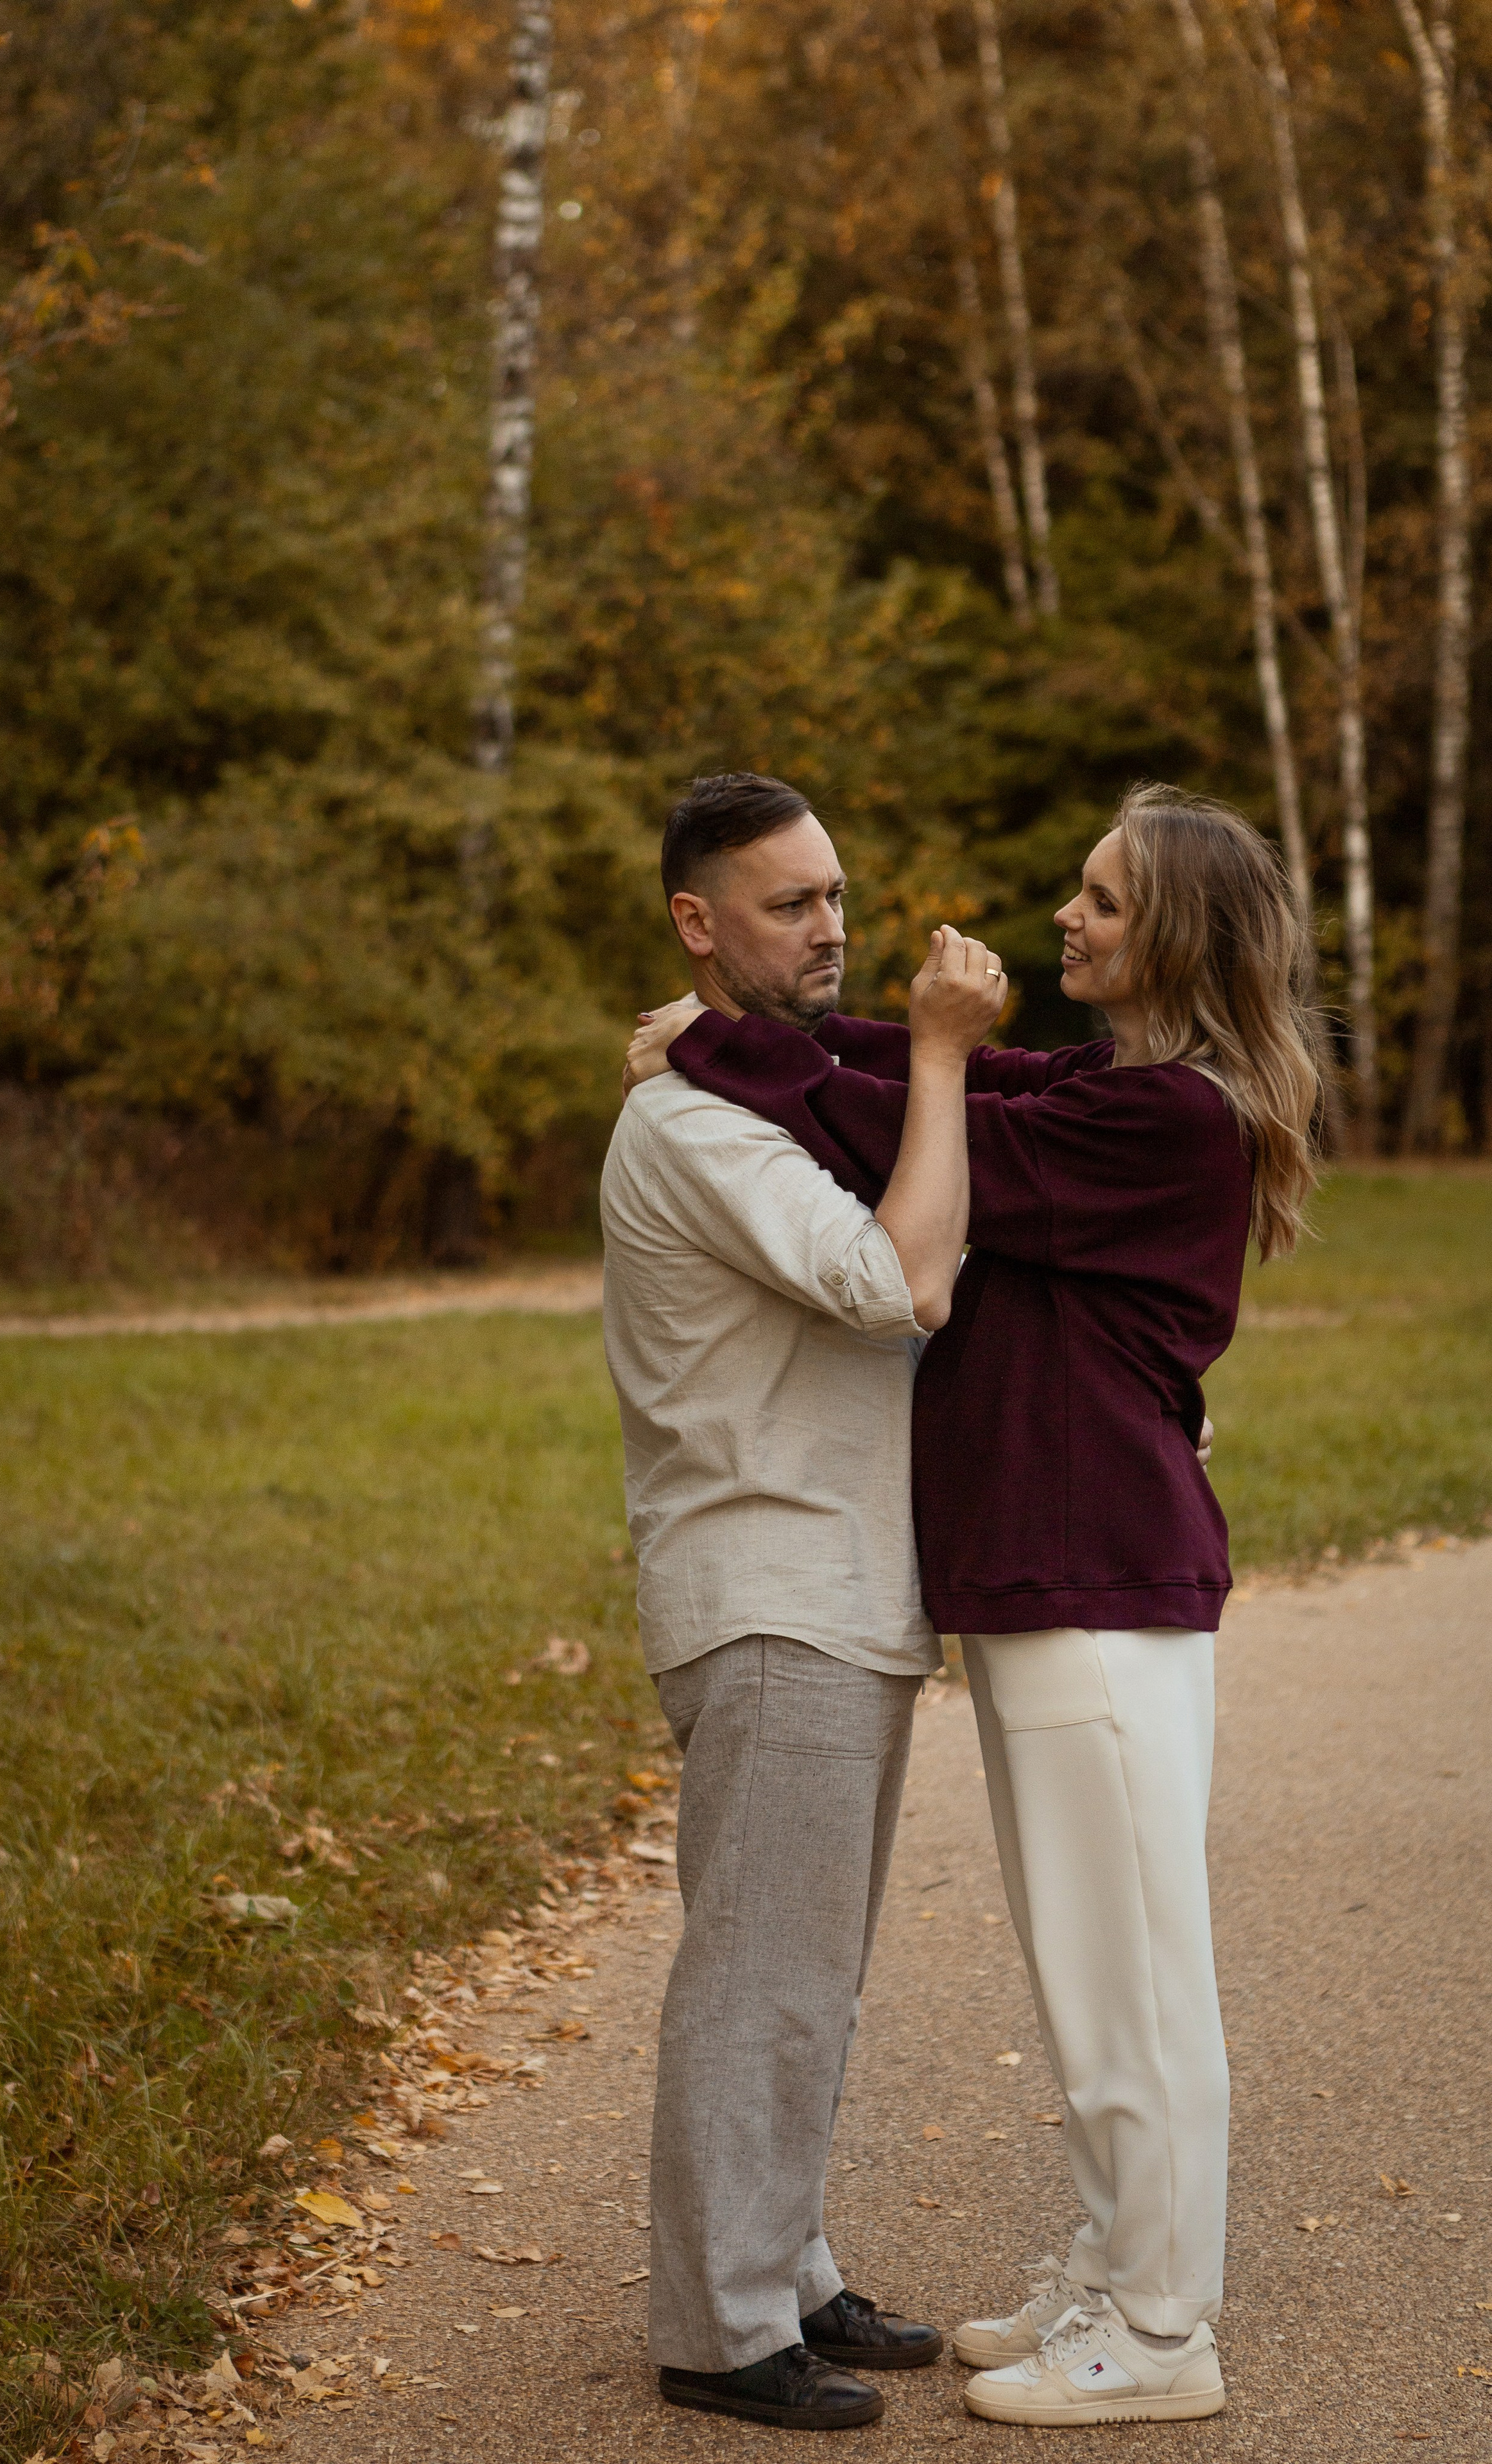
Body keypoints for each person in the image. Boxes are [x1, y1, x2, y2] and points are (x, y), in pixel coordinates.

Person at [626, 782, 1320, 2429]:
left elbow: (918, 1129)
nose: (1063, 918)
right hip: (1038, 1574)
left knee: (1131, 1973)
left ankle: (1158, 2329)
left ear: (1176, 936)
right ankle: (1108, 2266)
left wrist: (720, 1045)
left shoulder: (1173, 1118)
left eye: (1101, 899)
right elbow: (918, 1074)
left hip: (1098, 1573)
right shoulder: (1108, 1086)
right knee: (1085, 1962)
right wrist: (758, 1037)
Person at [599, 772, 1008, 2431]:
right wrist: (943, 1058)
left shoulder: (756, 1095)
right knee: (760, 1974)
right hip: (770, 1591)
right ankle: (719, 2326)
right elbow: (899, 1281)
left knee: (808, 1971)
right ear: (697, 924)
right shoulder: (692, 1128)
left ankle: (786, 2267)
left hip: (834, 1589)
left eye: (835, 893)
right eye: (790, 904)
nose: (831, 927)